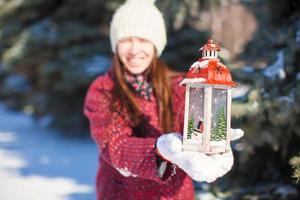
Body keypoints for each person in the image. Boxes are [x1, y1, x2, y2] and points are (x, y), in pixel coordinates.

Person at [83, 0, 244, 199]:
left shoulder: (180, 86)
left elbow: (195, 123)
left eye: (143, 40)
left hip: (174, 194)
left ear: (156, 44)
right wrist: (161, 149)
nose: (134, 49)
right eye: (126, 40)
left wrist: (213, 142)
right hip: (121, 193)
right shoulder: (103, 89)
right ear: (115, 45)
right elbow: (115, 146)